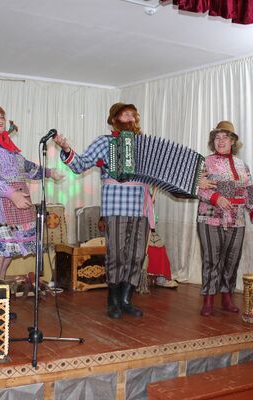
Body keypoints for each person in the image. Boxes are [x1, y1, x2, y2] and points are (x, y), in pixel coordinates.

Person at [53, 103, 150, 319]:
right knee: (116, 254)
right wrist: (66, 149)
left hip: (141, 206)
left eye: (133, 115)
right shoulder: (105, 142)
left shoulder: (144, 144)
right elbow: (81, 165)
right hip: (116, 205)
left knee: (136, 255)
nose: (130, 118)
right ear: (114, 119)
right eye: (125, 114)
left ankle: (126, 299)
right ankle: (113, 300)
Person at [0, 102, 62, 282]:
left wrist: (50, 173)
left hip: (14, 208)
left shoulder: (6, 145)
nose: (0, 121)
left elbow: (26, 167)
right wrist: (12, 194)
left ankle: (0, 297)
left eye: (2, 117)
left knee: (6, 256)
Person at [196, 120, 253, 316]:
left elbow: (249, 191)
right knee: (211, 258)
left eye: (225, 137)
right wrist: (215, 198)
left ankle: (226, 297)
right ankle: (208, 299)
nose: (221, 141)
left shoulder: (243, 165)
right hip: (209, 216)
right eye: (217, 137)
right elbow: (195, 188)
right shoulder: (204, 162)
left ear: (233, 141)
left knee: (232, 259)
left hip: (237, 218)